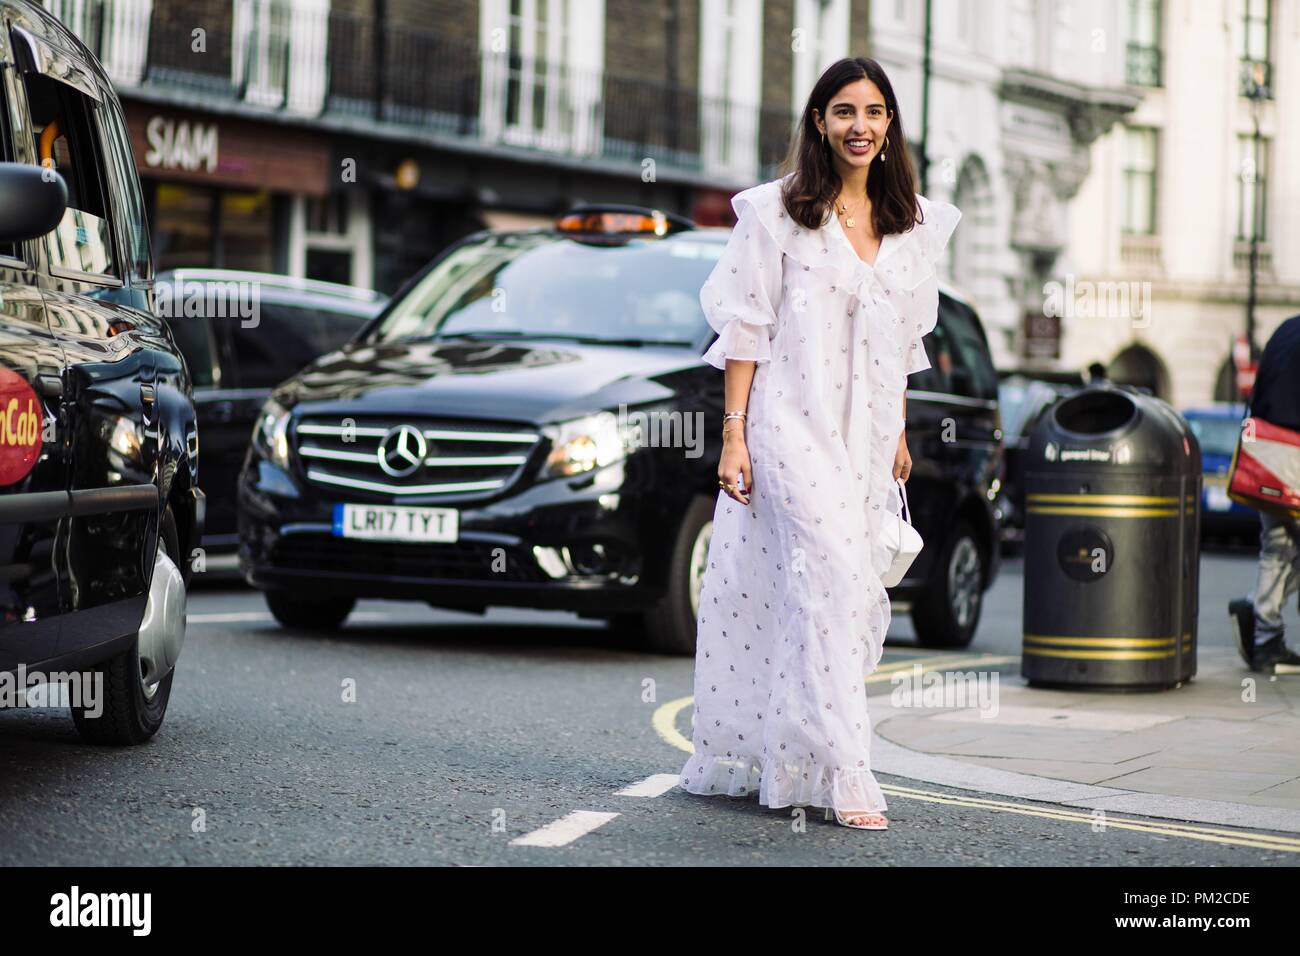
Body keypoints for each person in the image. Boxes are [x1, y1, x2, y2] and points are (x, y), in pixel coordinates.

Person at [677, 57, 959, 830]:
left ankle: (788, 757)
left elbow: (904, 340)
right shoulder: (775, 215)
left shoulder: (915, 226)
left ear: (890, 125)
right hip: (786, 425)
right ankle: (847, 770)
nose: (858, 126)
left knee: (815, 596)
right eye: (842, 112)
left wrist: (897, 430)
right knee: (831, 583)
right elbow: (746, 330)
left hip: (863, 440)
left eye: (872, 112)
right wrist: (734, 437)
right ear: (819, 123)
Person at [1231, 314, 1300, 675]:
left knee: (1277, 546)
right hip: (1296, 458)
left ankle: (1264, 635)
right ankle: (1262, 623)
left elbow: (1259, 394)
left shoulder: (1284, 330)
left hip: (1267, 457)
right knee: (1284, 550)